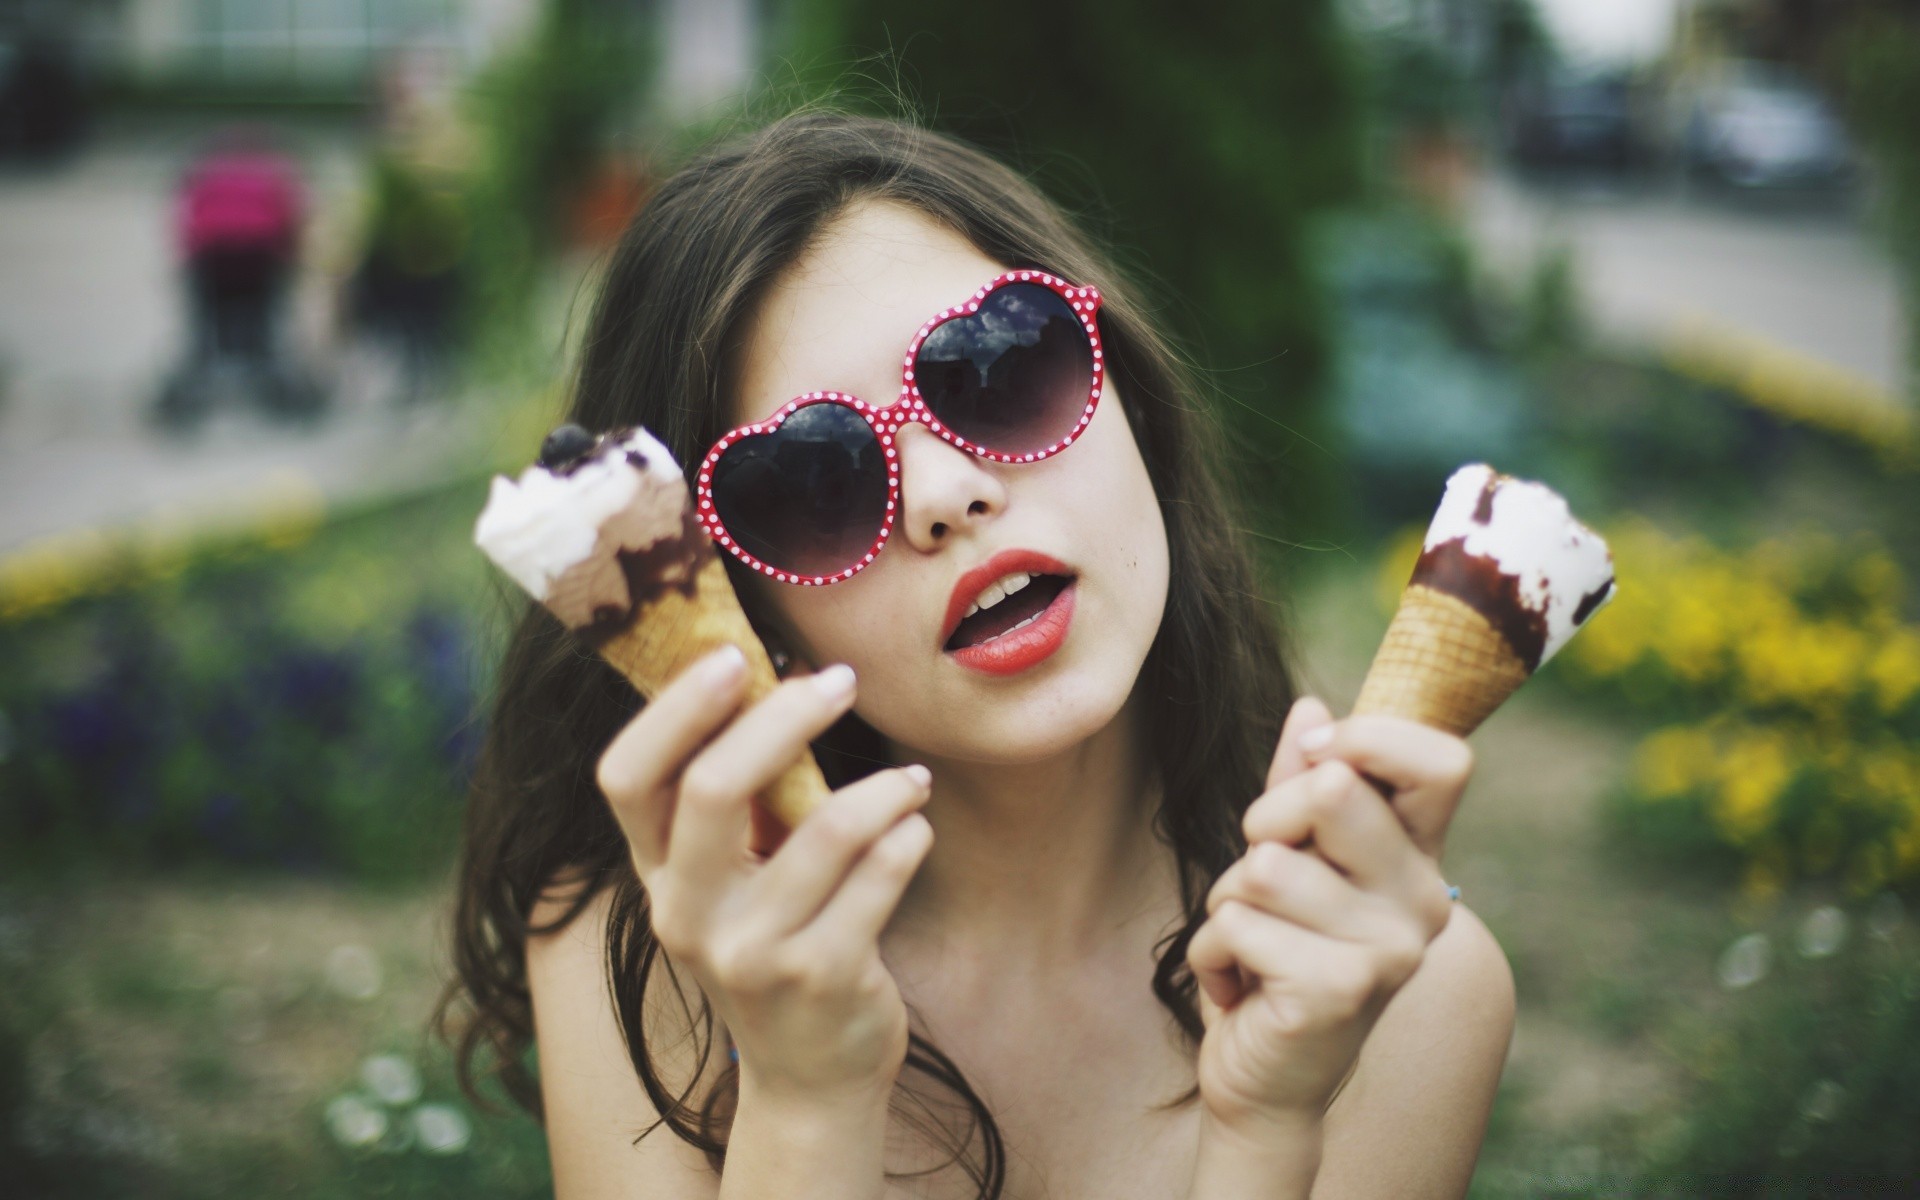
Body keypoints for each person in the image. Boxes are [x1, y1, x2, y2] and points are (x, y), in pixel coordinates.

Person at [437, 108, 1514, 1199]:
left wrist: (1272, 1125)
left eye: (998, 370)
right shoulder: (653, 969)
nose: (948, 496)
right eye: (815, 481)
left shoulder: (1398, 992)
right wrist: (806, 1098)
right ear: (740, 604)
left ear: (1128, 396)